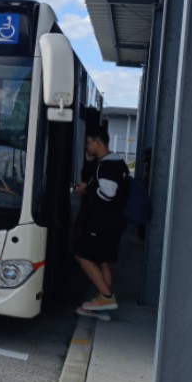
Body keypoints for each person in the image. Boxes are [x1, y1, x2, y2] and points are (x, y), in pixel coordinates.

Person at [73, 127, 129, 315]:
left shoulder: (108, 165)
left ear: (98, 142)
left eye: (89, 142)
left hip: (103, 223)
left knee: (81, 254)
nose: (87, 146)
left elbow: (107, 194)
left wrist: (86, 189)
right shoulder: (116, 163)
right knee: (102, 260)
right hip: (113, 223)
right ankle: (103, 305)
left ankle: (106, 297)